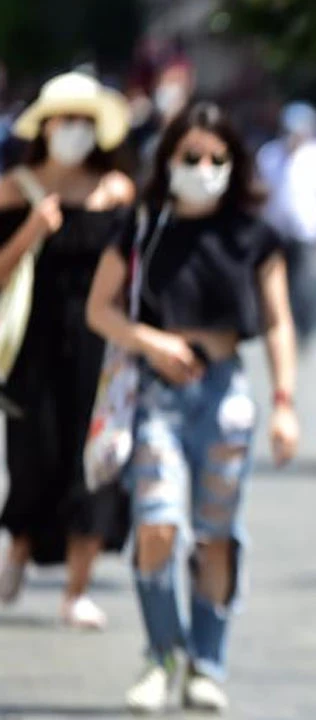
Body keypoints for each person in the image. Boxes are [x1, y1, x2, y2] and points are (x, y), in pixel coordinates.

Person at [86, 101, 299, 713]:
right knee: (156, 524)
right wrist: (149, 339)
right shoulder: (140, 225)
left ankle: (206, 662)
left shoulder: (255, 234)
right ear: (168, 159)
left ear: (234, 164)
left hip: (226, 396)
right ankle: (161, 654)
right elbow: (99, 309)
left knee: (215, 536)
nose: (204, 167)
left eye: (217, 158)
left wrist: (285, 402)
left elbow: (280, 321)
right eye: (191, 157)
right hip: (157, 394)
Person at [0, 71, 135, 629]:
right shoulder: (14, 188)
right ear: (45, 127)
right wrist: (32, 229)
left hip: (100, 347)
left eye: (86, 121)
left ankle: (76, 590)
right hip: (31, 343)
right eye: (66, 120)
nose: (75, 131)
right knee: (34, 455)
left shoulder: (117, 192)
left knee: (96, 463)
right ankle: (19, 552)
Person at [257, 101, 316, 343]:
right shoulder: (269, 154)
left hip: (308, 230)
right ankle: (279, 325)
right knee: (277, 282)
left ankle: (304, 330)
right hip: (275, 230)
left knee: (305, 284)